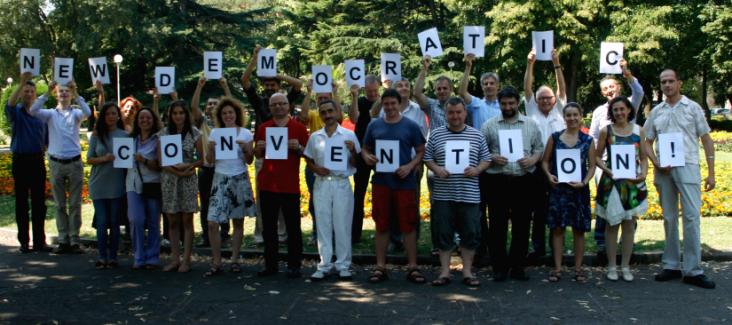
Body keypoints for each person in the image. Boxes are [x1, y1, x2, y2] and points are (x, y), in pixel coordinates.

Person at [644, 69, 716, 289]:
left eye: (670, 81)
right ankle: (672, 265)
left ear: (679, 83)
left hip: (688, 166)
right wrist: (656, 162)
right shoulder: (657, 112)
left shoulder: (693, 108)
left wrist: (711, 172)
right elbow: (646, 140)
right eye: (663, 82)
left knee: (692, 218)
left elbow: (706, 139)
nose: (667, 85)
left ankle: (693, 270)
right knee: (669, 217)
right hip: (664, 171)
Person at [424, 97, 491, 287]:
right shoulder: (436, 135)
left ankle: (467, 271)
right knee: (443, 233)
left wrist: (477, 170)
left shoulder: (476, 135)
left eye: (459, 112)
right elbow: (427, 158)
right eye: (451, 112)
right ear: (446, 114)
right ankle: (445, 271)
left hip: (469, 194)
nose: (455, 116)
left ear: (465, 113)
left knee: (470, 233)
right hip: (444, 194)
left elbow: (486, 159)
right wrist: (437, 169)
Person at [361, 89, 426, 284]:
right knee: (382, 224)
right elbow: (365, 148)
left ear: (399, 104)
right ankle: (380, 266)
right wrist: (367, 157)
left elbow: (421, 151)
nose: (389, 107)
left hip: (404, 183)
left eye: (393, 104)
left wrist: (410, 166)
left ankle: (413, 266)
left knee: (408, 224)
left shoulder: (411, 126)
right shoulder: (374, 125)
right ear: (382, 105)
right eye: (386, 104)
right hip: (381, 182)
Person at [481, 87, 543, 281]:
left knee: (522, 224)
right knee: (497, 225)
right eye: (504, 103)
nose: (508, 107)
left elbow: (539, 148)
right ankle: (499, 267)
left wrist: (532, 160)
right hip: (498, 180)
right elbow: (480, 151)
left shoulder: (530, 124)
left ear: (518, 103)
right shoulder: (489, 125)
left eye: (511, 103)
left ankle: (518, 266)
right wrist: (492, 157)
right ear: (499, 104)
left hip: (523, 180)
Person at [242, 45, 301, 245]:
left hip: (285, 154)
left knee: (285, 198)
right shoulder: (258, 101)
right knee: (263, 198)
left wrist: (279, 74)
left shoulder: (284, 100)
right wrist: (254, 58)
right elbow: (245, 81)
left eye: (272, 84)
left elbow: (299, 85)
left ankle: (283, 235)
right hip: (264, 153)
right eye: (266, 84)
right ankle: (261, 235)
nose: (269, 87)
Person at [30, 79, 91, 254]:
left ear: (71, 94)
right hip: (56, 163)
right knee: (59, 204)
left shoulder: (76, 114)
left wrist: (77, 93)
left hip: (74, 163)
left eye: (67, 91)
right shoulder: (50, 114)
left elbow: (88, 112)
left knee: (74, 204)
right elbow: (33, 110)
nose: (63, 93)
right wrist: (47, 92)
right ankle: (63, 239)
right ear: (56, 94)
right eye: (60, 91)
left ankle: (74, 240)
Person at [589, 59, 644, 252]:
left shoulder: (630, 104)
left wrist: (626, 72)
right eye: (605, 89)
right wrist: (597, 159)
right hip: (604, 163)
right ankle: (602, 242)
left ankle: (627, 240)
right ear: (603, 92)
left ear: (618, 87)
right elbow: (594, 137)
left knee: (629, 201)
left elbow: (639, 91)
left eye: (611, 86)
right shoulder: (598, 112)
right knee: (605, 201)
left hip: (629, 164)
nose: (609, 90)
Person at [303, 100, 360, 281]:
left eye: (330, 111)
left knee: (342, 224)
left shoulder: (349, 135)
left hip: (341, 182)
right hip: (322, 183)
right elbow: (308, 159)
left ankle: (343, 264)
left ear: (337, 112)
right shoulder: (315, 137)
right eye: (323, 112)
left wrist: (352, 152)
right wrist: (315, 169)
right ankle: (324, 264)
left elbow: (357, 163)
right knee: (323, 223)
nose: (327, 115)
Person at [254, 93, 309, 278]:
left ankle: (294, 265)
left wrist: (299, 148)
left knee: (293, 228)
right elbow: (257, 155)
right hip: (268, 185)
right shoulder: (263, 128)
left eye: (282, 103)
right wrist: (258, 148)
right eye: (274, 104)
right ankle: (271, 265)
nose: (278, 107)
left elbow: (309, 156)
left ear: (289, 106)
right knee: (268, 229)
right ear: (270, 108)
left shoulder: (299, 128)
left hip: (290, 186)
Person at [595, 96, 649, 282]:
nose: (619, 113)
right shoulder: (606, 131)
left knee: (628, 225)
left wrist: (644, 172)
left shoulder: (638, 131)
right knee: (612, 224)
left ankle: (625, 265)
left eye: (622, 109)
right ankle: (611, 265)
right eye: (615, 110)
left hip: (632, 183)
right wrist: (607, 170)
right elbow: (596, 157)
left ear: (628, 110)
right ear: (612, 112)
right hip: (612, 183)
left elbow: (643, 156)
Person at [370, 78, 428, 251]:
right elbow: (373, 116)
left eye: (407, 85)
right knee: (390, 204)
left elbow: (422, 137)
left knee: (411, 203)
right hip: (386, 165)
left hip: (411, 163)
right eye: (400, 86)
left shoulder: (416, 109)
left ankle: (411, 239)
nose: (404, 88)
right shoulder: (385, 108)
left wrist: (416, 164)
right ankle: (395, 240)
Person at [541, 103, 596, 282]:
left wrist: (585, 182)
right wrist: (549, 175)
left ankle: (578, 269)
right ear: (564, 118)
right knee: (557, 229)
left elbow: (592, 166)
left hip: (579, 190)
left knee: (579, 230)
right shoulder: (555, 138)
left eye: (575, 115)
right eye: (568, 115)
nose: (572, 118)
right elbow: (545, 161)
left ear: (581, 116)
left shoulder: (588, 140)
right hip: (559, 190)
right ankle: (557, 268)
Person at [203, 97, 256, 277]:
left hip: (239, 177)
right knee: (212, 222)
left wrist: (246, 148)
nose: (228, 116)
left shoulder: (246, 134)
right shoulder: (215, 133)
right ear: (220, 115)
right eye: (224, 113)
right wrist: (210, 149)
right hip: (220, 177)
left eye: (231, 112)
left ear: (237, 114)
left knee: (238, 221)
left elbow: (250, 160)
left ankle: (234, 259)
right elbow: (210, 161)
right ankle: (216, 261)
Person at [523, 49, 567, 260]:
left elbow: (561, 88)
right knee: (538, 209)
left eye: (548, 97)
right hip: (538, 167)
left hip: (561, 165)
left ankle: (556, 248)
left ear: (554, 99)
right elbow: (527, 87)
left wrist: (556, 63)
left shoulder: (560, 110)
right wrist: (530, 64)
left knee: (558, 207)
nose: (545, 101)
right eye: (541, 98)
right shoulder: (532, 111)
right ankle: (538, 248)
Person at [459, 53, 502, 262]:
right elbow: (461, 92)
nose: (488, 86)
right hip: (478, 161)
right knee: (478, 209)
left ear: (498, 86)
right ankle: (480, 247)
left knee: (496, 209)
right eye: (485, 83)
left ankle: (495, 248)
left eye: (492, 83)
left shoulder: (505, 106)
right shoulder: (476, 104)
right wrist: (468, 67)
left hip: (500, 163)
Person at [5, 72, 49, 253]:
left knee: (40, 203)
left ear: (35, 94)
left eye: (32, 91)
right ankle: (24, 241)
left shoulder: (41, 115)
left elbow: (46, 139)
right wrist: (21, 82)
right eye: (26, 91)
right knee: (22, 203)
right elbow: (10, 103)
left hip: (37, 160)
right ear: (22, 93)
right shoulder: (16, 112)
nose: (29, 94)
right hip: (21, 161)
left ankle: (40, 242)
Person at [159, 101, 203, 273]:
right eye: (175, 113)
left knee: (187, 220)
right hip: (170, 179)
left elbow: (201, 159)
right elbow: (161, 161)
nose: (178, 116)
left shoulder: (194, 133)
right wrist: (176, 171)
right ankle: (174, 258)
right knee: (172, 221)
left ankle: (186, 259)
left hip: (188, 178)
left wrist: (189, 167)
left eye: (181, 113)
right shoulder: (163, 133)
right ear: (170, 115)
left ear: (186, 114)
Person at [191, 75, 233, 248]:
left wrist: (225, 86)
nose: (212, 106)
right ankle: (206, 236)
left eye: (216, 103)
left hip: (223, 168)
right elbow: (193, 106)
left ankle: (224, 234)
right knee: (206, 203)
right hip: (207, 169)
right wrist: (199, 86)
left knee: (224, 201)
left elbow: (232, 105)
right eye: (209, 104)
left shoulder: (226, 123)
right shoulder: (202, 122)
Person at [86, 102, 127, 269]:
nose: (111, 116)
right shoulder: (96, 135)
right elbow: (89, 159)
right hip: (99, 184)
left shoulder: (125, 135)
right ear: (103, 116)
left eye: (114, 113)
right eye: (108, 113)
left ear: (118, 116)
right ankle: (102, 256)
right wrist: (105, 159)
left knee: (114, 221)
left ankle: (113, 257)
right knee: (102, 221)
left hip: (117, 183)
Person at [127, 107, 163, 270]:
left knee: (153, 221)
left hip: (153, 184)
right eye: (141, 118)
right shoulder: (130, 140)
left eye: (148, 118)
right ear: (137, 121)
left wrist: (144, 160)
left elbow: (161, 165)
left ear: (153, 120)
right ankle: (139, 255)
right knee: (136, 220)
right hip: (133, 184)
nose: (145, 120)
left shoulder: (159, 139)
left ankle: (153, 256)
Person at [349, 76, 380, 244]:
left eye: (375, 91)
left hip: (381, 152)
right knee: (359, 193)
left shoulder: (385, 101)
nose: (373, 94)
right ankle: (355, 234)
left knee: (381, 192)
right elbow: (354, 119)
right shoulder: (360, 101)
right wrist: (354, 96)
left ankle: (382, 231)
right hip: (362, 151)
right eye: (369, 91)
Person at [414, 55, 451, 131]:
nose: (442, 91)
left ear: (451, 89)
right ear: (435, 91)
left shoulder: (459, 105)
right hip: (437, 142)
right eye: (439, 89)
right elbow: (417, 93)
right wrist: (424, 68)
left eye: (445, 88)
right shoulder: (431, 105)